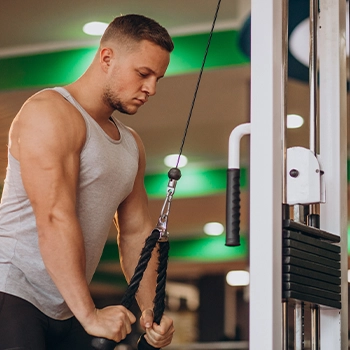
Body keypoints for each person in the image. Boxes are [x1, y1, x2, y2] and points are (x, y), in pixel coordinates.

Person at [0, 14, 175, 350]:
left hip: (67, 307)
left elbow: (137, 232)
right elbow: (54, 217)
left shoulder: (130, 144)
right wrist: (90, 314)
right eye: (143, 74)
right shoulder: (50, 113)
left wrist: (152, 310)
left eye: (158, 78)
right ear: (107, 58)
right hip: (12, 292)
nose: (151, 88)